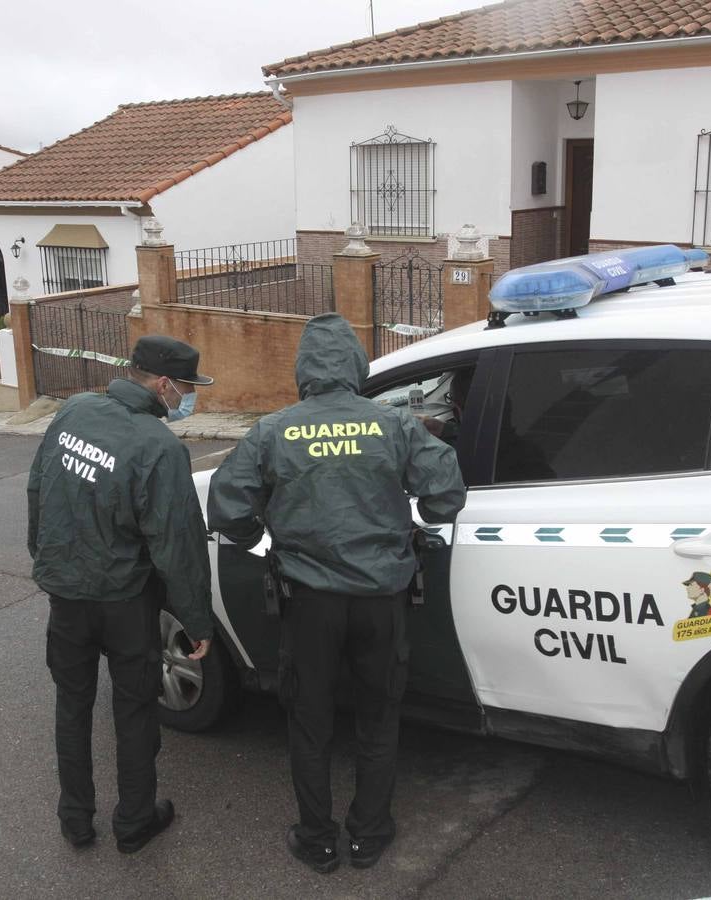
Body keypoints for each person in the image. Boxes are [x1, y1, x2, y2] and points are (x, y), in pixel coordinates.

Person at [207, 313, 466, 874]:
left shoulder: (275, 429)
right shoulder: (392, 424)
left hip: (309, 602)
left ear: (302, 370)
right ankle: (370, 834)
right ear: (354, 366)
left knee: (310, 720)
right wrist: (419, 519)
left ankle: (318, 838)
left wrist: (264, 541)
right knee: (378, 717)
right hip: (382, 599)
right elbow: (446, 491)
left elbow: (227, 508)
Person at [27, 334, 214, 854]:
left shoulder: (74, 412)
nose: (188, 398)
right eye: (186, 389)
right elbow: (177, 546)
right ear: (163, 384)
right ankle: (133, 821)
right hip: (126, 601)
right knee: (134, 709)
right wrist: (198, 622)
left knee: (73, 704)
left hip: (66, 594)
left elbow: (38, 489)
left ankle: (75, 820)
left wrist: (44, 559)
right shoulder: (160, 447)